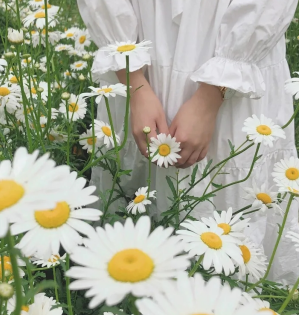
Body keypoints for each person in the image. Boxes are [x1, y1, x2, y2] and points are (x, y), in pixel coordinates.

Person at [77, 0, 299, 283]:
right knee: (135, 216)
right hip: (143, 49)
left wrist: (212, 94)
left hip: (237, 52)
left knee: (234, 208)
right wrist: (134, 82)